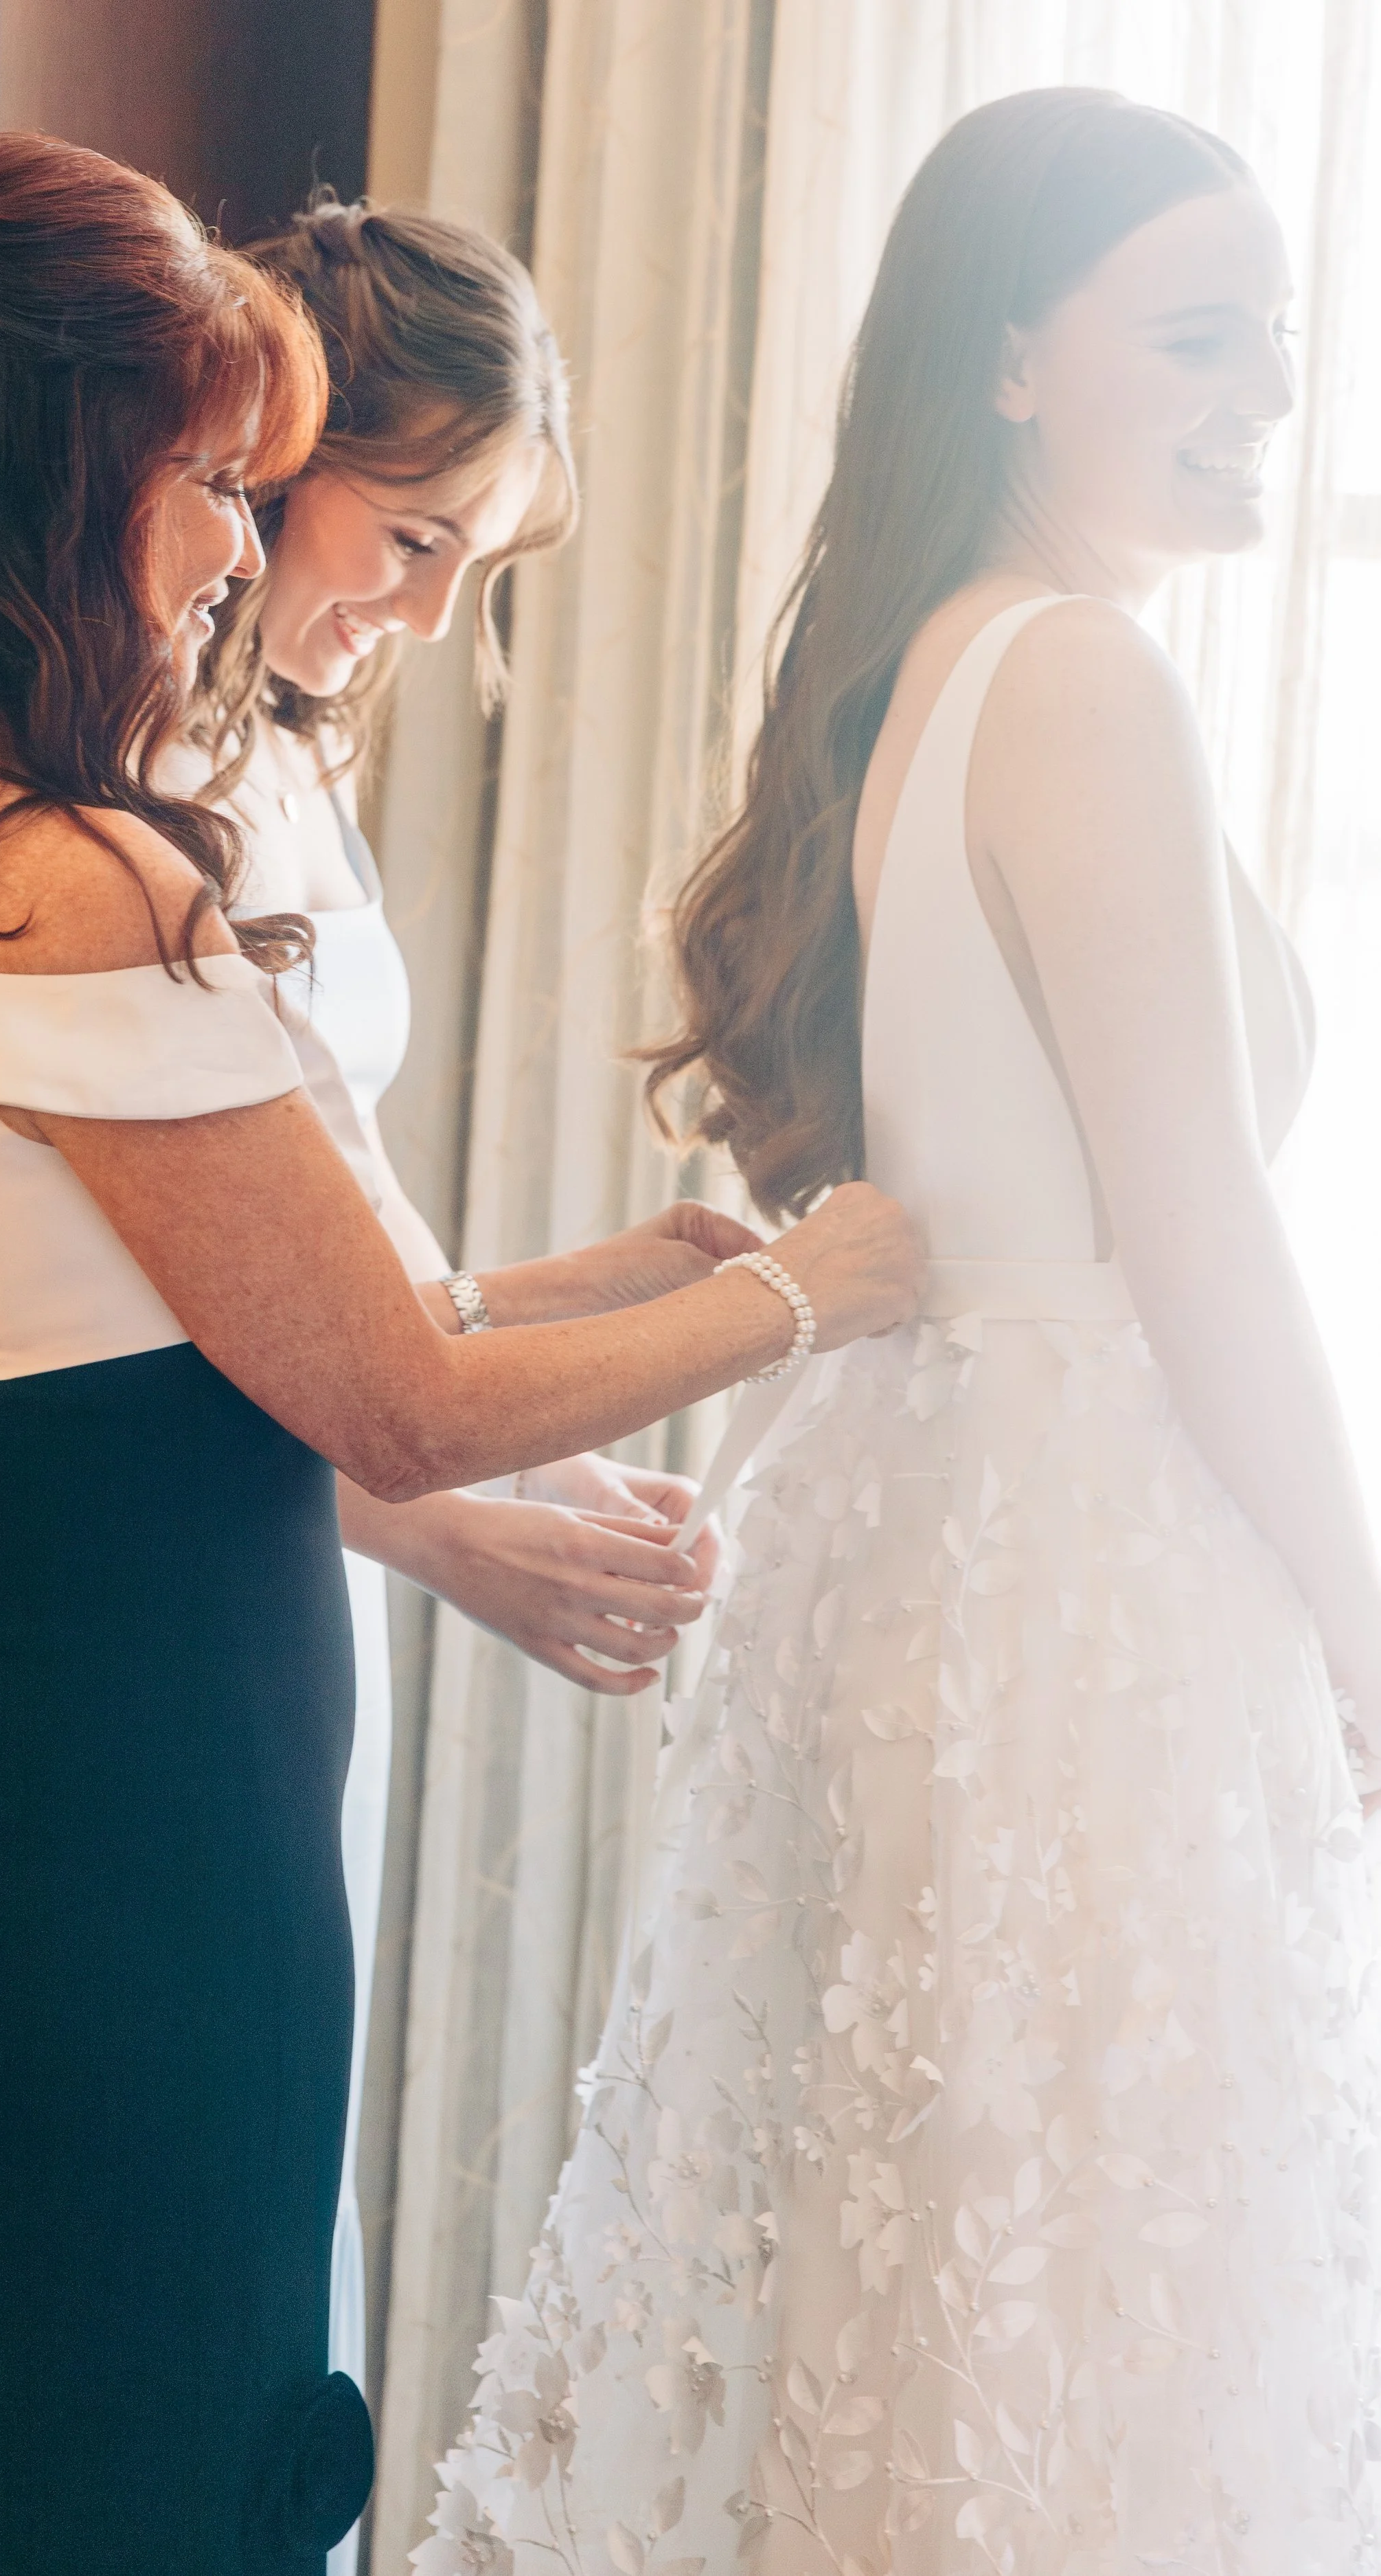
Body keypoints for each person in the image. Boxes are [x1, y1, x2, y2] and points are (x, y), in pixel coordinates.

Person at [0, 134, 920, 2575]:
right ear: (66, 480)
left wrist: (599, 1281)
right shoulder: (86, 869)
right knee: (126, 2459)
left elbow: (195, 1333)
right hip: (130, 1810)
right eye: (208, 484)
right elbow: (394, 1407)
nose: (239, 550)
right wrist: (814, 1288)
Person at [418, 88, 1381, 2575]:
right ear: (1010, 361)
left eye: (1267, 337)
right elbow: (1195, 1238)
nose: (1258, 390)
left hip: (949, 1547)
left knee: (944, 2295)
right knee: (1071, 2332)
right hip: (1082, 1584)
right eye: (1195, 333)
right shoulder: (1073, 678)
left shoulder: (943, 666)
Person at [169, 197, 709, 2477]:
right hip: (194, 1577)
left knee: (291, 2206)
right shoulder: (133, 802)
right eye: (409, 534)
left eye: (475, 567)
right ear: (268, 449)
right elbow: (204, 1335)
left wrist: (597, 1302)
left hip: (319, 1578)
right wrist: (454, 1520)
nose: (423, 613)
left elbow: (370, 1273)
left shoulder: (291, 755)